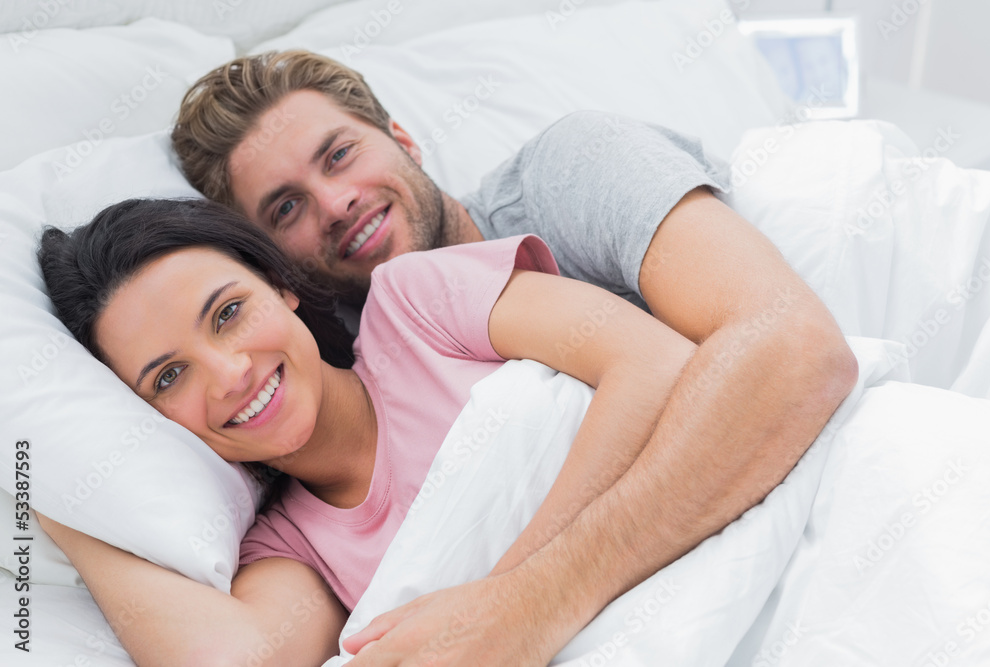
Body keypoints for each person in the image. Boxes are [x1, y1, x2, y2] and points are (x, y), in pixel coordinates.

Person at [164, 50, 859, 663]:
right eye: (286, 208)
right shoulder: (342, 369)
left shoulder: (572, 169)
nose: (336, 203)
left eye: (339, 154)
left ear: (402, 138)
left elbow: (797, 350)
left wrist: (522, 599)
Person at [36, 197, 704, 664]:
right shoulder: (289, 550)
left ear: (280, 284)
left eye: (230, 312)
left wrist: (515, 596)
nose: (229, 373)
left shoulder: (414, 307)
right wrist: (54, 495)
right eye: (169, 377)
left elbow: (657, 363)